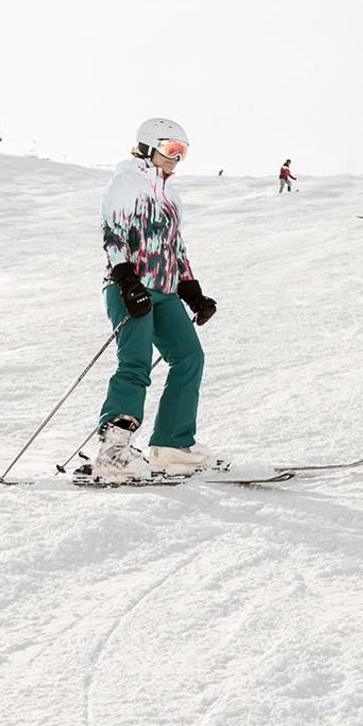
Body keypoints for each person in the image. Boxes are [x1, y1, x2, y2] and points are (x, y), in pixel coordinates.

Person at [91, 118, 221, 481]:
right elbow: (113, 236)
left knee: (189, 356)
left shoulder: (169, 193)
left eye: (182, 152)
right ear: (147, 147)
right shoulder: (126, 183)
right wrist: (126, 281)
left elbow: (174, 246)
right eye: (170, 150)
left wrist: (191, 290)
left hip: (164, 292)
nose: (176, 159)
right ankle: (113, 450)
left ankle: (171, 446)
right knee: (135, 362)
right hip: (128, 288)